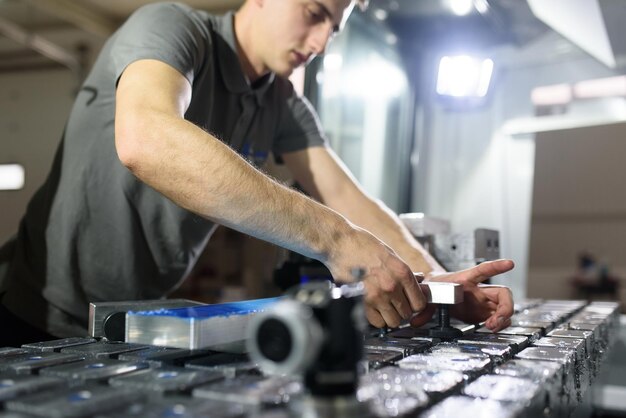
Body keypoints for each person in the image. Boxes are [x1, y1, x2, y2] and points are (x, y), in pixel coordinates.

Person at [0, 0, 514, 346]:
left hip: (126, 325)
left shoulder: (282, 104)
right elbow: (146, 138)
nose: (320, 44)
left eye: (333, 29)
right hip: (28, 315)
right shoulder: (174, 29)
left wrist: (441, 285)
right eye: (313, 13)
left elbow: (346, 198)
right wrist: (335, 239)